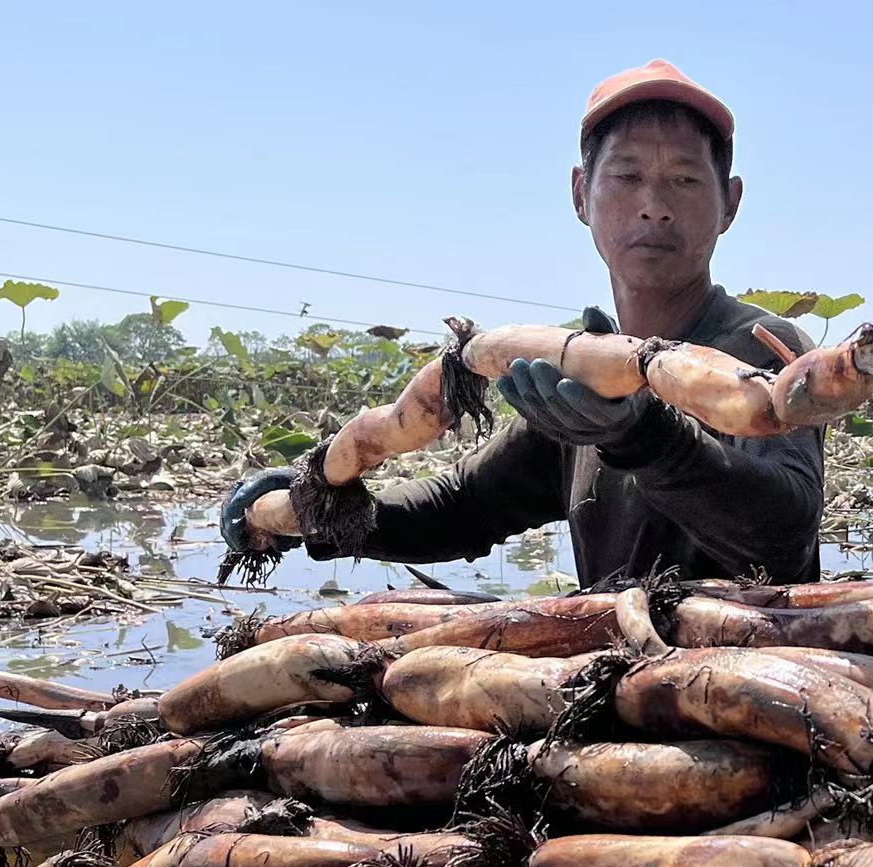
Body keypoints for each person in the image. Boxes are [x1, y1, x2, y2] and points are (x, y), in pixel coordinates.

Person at [220, 60, 823, 586]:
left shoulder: (763, 352)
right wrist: (314, 506)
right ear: (581, 194)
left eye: (686, 180)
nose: (654, 205)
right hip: (619, 683)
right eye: (627, 175)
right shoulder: (577, 377)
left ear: (731, 203)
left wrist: (644, 437)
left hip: (754, 682)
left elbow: (782, 541)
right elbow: (460, 507)